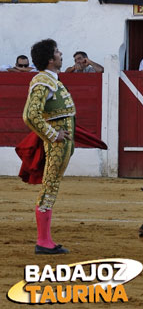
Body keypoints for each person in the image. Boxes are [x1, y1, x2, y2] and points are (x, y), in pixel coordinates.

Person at [23, 38, 74, 254]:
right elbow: (29, 115)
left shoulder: (51, 79)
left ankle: (45, 240)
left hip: (61, 144)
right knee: (49, 187)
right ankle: (43, 242)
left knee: (51, 186)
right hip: (56, 145)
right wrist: (53, 135)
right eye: (57, 51)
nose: (61, 53)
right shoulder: (43, 80)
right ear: (50, 59)